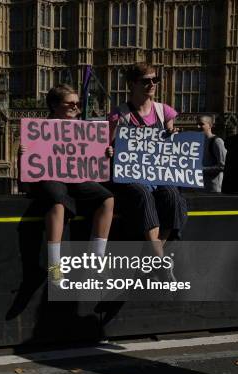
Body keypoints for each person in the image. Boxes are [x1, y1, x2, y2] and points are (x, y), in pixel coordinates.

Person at [21, 84, 114, 285]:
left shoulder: (85, 130)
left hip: (76, 178)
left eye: (77, 103)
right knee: (57, 199)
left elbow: (92, 160)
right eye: (70, 103)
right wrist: (24, 154)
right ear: (54, 105)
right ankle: (54, 265)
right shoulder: (38, 130)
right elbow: (30, 168)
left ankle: (97, 260)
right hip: (52, 178)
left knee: (107, 198)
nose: (75, 107)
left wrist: (105, 154)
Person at [107, 62, 187, 262]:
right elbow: (108, 146)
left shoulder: (164, 112)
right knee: (142, 193)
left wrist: (173, 137)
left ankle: (157, 251)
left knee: (172, 195)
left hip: (157, 173)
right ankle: (160, 258)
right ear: (132, 84)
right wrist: (110, 150)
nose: (152, 84)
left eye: (155, 80)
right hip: (132, 175)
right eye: (146, 81)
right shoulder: (119, 114)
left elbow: (170, 148)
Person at [197, 115, 226, 193]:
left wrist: (201, 169)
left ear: (210, 125)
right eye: (197, 124)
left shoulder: (217, 141)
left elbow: (223, 166)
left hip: (213, 189)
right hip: (200, 188)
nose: (198, 127)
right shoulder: (199, 142)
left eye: (201, 124)